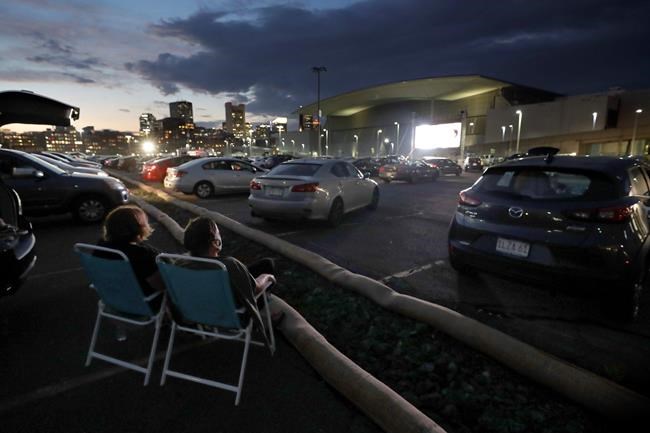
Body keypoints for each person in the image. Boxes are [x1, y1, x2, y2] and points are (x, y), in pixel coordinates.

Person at [182, 217, 282, 349]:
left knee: (265, 263)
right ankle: (259, 322)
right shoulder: (229, 265)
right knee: (267, 268)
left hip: (199, 311)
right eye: (218, 233)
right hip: (234, 315)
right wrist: (267, 277)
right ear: (215, 242)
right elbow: (255, 289)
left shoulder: (182, 265)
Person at [97, 204, 165, 297]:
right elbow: (161, 285)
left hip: (113, 295)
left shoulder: (102, 246)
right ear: (138, 228)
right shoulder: (141, 254)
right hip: (142, 300)